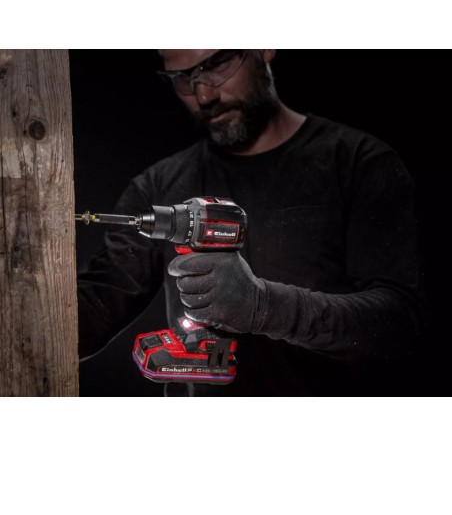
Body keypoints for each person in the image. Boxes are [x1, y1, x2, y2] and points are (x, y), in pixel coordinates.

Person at [78, 49, 428, 396]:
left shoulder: (359, 164)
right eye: (182, 78)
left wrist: (263, 307)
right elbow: (95, 309)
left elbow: (400, 326)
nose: (204, 95)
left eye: (217, 64)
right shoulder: (158, 185)